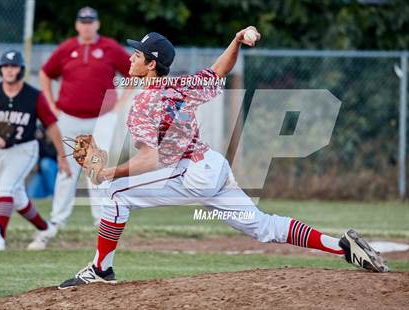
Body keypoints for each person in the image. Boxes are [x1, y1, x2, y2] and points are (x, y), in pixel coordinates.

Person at [59, 27, 388, 288]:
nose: (131, 59)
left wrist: (109, 172)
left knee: (114, 192)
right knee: (261, 226)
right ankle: (342, 246)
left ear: (151, 64)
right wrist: (236, 40)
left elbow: (151, 160)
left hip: (190, 172)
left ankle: (101, 270)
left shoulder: (145, 103)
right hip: (212, 165)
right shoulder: (182, 84)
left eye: (137, 55)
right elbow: (219, 70)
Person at [29, 6, 132, 249]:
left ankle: (102, 220)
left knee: (96, 167)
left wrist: (121, 102)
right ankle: (56, 222)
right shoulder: (67, 48)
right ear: (77, 25)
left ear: (97, 24)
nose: (86, 25)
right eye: (83, 21)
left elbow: (132, 72)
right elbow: (45, 73)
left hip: (101, 117)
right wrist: (51, 104)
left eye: (90, 21)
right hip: (69, 116)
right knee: (67, 168)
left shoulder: (109, 47)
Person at [0, 50, 71, 251]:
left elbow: (52, 126)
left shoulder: (33, 96)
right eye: (5, 66)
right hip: (0, 151)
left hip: (24, 150)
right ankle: (45, 228)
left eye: (13, 66)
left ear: (21, 70)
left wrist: (62, 156)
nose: (9, 70)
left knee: (4, 189)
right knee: (17, 196)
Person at [26, 124, 58, 199]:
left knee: (45, 163)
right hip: (41, 173)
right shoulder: (40, 141)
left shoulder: (58, 141)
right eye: (48, 130)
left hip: (55, 171)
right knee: (31, 195)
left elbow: (52, 154)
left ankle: (53, 194)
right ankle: (48, 194)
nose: (49, 133)